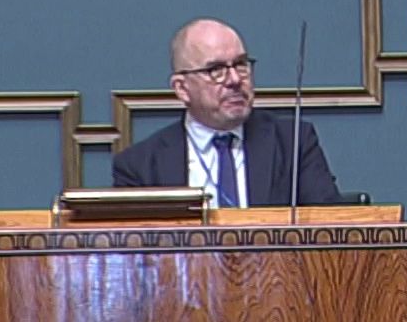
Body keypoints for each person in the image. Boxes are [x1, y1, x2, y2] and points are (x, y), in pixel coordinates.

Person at [112, 18, 343, 206]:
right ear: (182, 89)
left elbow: (329, 230)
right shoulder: (140, 166)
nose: (234, 80)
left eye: (241, 65)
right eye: (216, 69)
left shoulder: (293, 143)